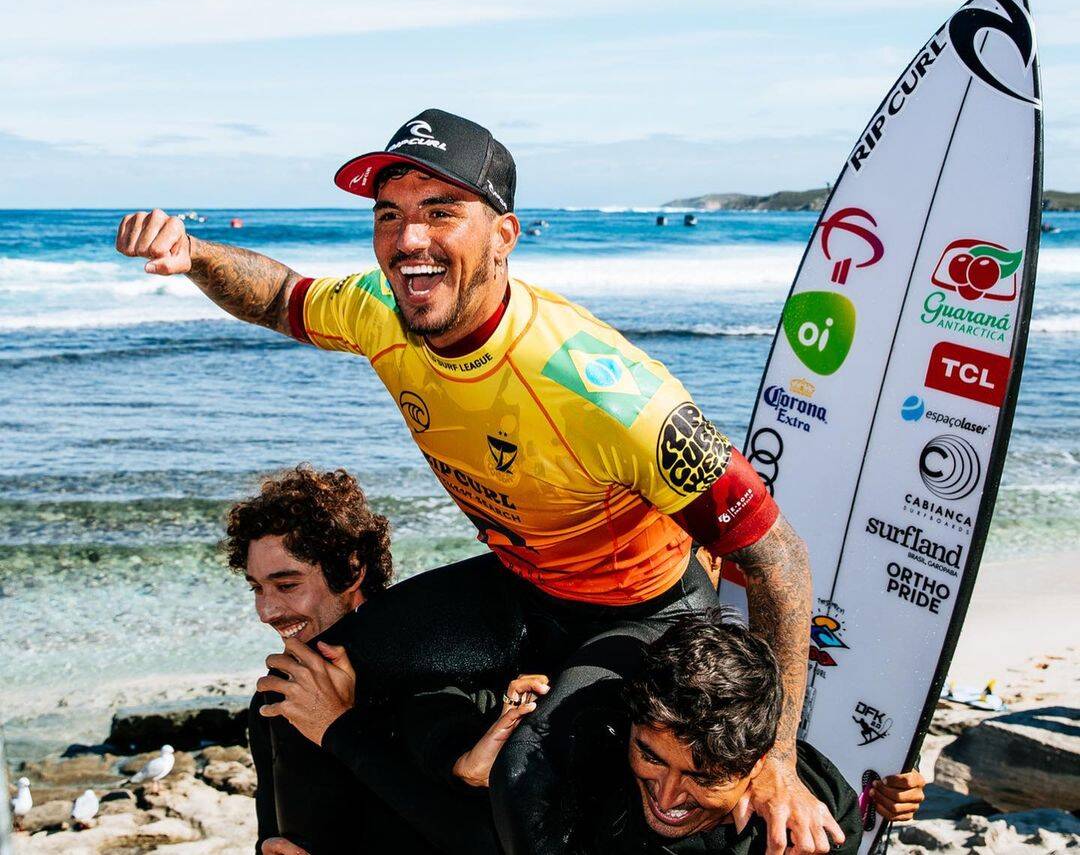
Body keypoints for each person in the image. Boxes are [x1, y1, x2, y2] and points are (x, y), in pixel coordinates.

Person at [116, 109, 830, 855]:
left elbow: (778, 558)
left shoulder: (607, 394)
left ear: (504, 237)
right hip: (524, 585)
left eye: (440, 212)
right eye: (389, 214)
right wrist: (193, 253)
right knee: (289, 690)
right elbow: (277, 296)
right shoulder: (377, 310)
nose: (408, 239)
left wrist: (775, 758)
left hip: (642, 610)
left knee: (525, 777)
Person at [436, 612, 925, 854]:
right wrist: (472, 759)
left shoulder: (813, 830)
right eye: (651, 756)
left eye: (703, 777)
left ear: (760, 765)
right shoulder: (587, 741)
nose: (667, 796)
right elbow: (441, 702)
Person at [228, 464, 452, 855]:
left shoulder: (432, 675)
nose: (266, 611)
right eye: (257, 588)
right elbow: (273, 835)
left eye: (286, 585)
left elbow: (471, 833)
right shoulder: (276, 697)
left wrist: (343, 728)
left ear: (350, 571)